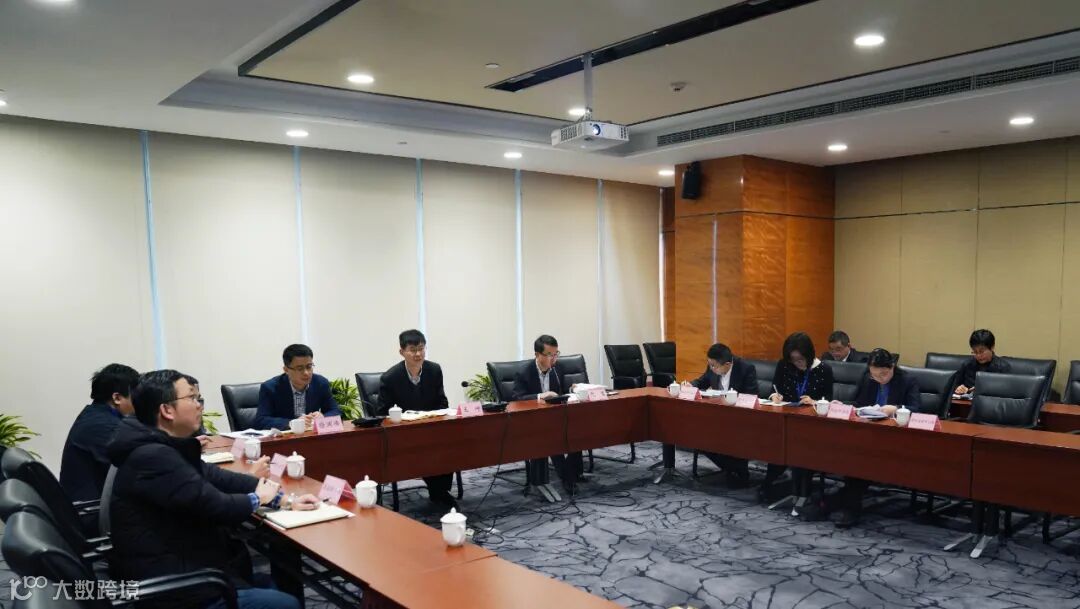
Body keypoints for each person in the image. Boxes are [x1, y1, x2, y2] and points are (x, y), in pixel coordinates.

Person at [108, 370, 319, 609]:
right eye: (192, 398)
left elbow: (215, 476)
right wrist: (257, 497)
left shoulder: (160, 445)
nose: (199, 405)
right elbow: (214, 504)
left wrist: (282, 499)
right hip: (175, 585)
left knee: (266, 581)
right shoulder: (153, 456)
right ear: (167, 410)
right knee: (284, 603)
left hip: (185, 562)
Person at [825, 348, 923, 527]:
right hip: (868, 433)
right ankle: (846, 504)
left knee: (860, 458)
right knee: (853, 454)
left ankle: (847, 507)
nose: (879, 379)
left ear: (892, 367)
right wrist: (843, 405)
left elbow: (916, 409)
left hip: (895, 437)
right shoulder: (867, 378)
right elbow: (859, 404)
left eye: (883, 374)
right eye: (875, 375)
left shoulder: (908, 380)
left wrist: (896, 408)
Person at [379, 329, 458, 509]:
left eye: (421, 349)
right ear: (402, 352)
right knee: (426, 448)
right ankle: (439, 492)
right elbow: (382, 413)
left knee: (449, 443)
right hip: (405, 432)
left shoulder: (434, 370)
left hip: (431, 427)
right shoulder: (390, 378)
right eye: (412, 350)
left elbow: (442, 401)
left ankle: (440, 492)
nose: (418, 354)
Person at [761, 332, 834, 506]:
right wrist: (774, 396)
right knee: (777, 444)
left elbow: (829, 401)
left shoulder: (823, 369)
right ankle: (769, 485)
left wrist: (814, 402)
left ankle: (802, 493)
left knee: (801, 446)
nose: (797, 363)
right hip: (786, 421)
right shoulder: (784, 365)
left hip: (812, 425)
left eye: (800, 359)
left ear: (809, 354)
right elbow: (773, 388)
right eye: (793, 359)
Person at [512, 334, 585, 494]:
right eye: (549, 355)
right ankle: (568, 479)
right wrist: (540, 396)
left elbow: (561, 391)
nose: (554, 358)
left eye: (556, 354)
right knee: (552, 438)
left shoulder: (558, 369)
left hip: (555, 417)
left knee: (577, 432)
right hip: (532, 421)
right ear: (537, 355)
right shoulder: (524, 372)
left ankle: (573, 474)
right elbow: (517, 399)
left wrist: (573, 389)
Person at [60, 363, 140, 506]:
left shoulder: (95, 415)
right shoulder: (104, 427)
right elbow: (133, 474)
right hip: (90, 511)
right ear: (117, 398)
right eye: (135, 397)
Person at [685, 343, 757, 487]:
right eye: (710, 365)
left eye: (714, 366)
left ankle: (738, 470)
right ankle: (734, 468)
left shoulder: (746, 369)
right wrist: (691, 385)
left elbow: (751, 395)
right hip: (718, 416)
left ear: (728, 364)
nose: (712, 368)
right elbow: (703, 380)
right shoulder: (712, 366)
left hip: (740, 417)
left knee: (728, 437)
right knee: (698, 436)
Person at [255, 344, 342, 430]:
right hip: (285, 436)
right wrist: (292, 423)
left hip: (310, 435)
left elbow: (335, 411)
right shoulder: (270, 388)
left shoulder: (320, 383)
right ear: (286, 370)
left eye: (309, 367)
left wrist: (323, 417)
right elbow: (261, 421)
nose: (306, 373)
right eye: (300, 368)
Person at [953, 329, 1011, 395]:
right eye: (975, 352)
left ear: (992, 347)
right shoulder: (967, 364)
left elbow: (1007, 391)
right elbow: (954, 384)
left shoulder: (1003, 367)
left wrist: (983, 390)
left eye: (981, 351)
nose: (978, 355)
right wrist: (958, 388)